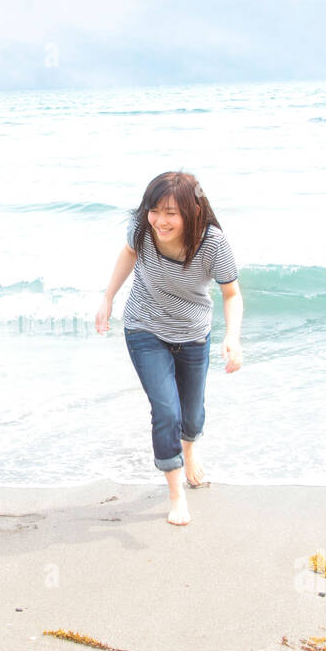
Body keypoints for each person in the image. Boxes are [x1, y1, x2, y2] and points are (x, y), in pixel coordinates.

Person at [95, 171, 242, 526]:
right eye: (154, 210)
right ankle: (176, 495)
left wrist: (232, 337)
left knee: (191, 416)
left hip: (192, 334)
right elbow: (128, 254)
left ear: (192, 212)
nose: (160, 221)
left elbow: (231, 293)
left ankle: (189, 451)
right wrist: (108, 298)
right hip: (144, 327)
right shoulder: (142, 230)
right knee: (166, 411)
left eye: (171, 213)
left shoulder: (212, 243)